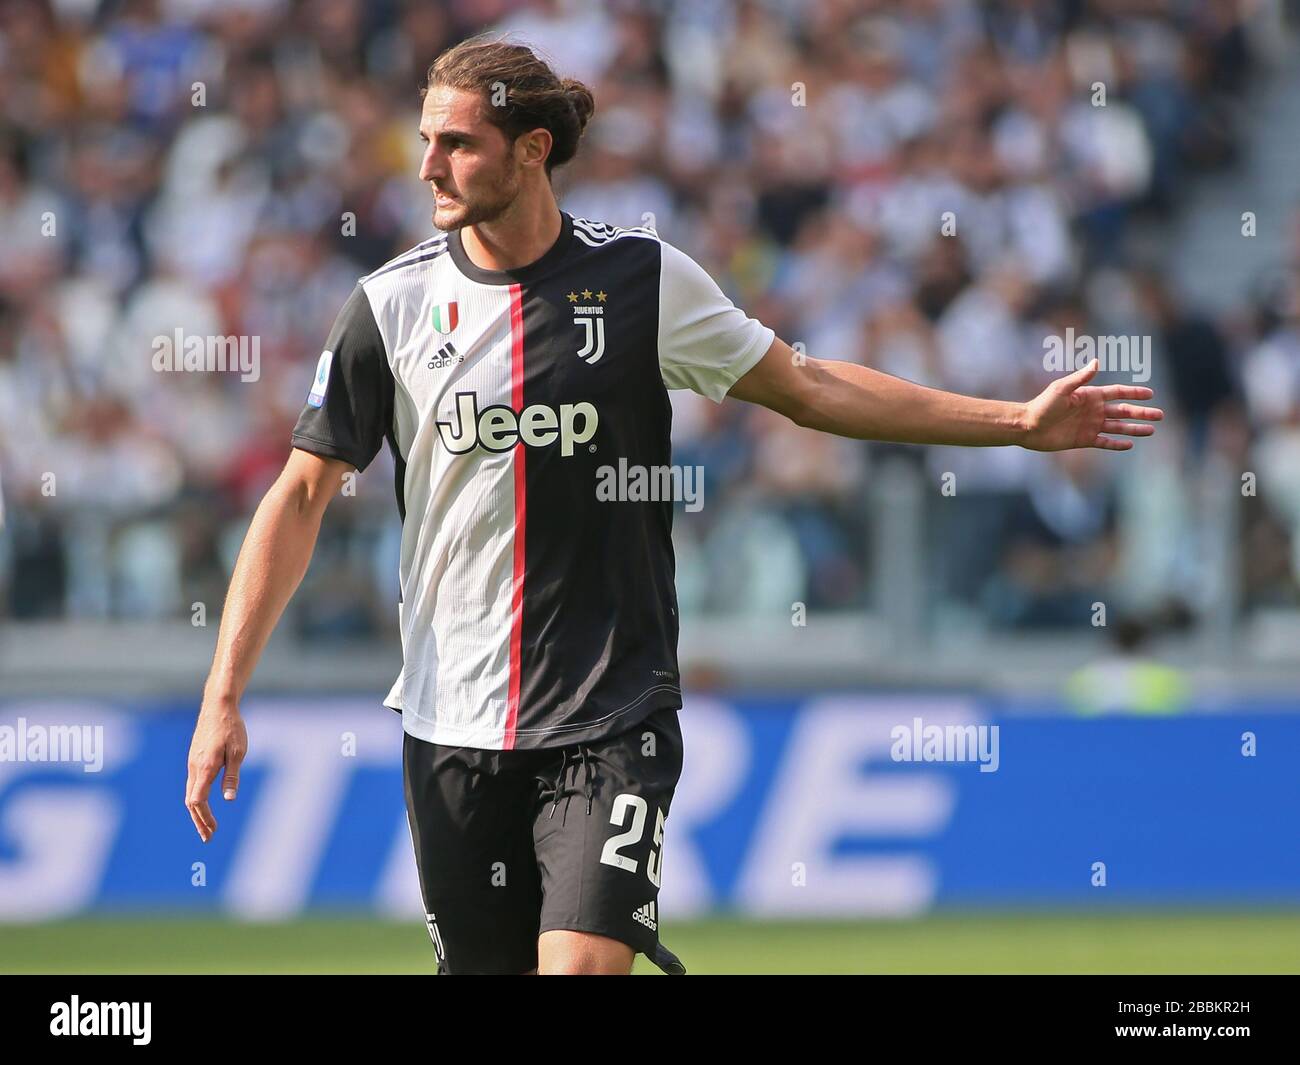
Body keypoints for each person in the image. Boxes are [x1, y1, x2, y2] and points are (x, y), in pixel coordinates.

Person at [184, 35, 1163, 975]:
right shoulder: (389, 307)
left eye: (456, 143)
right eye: (425, 141)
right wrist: (224, 692)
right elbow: (300, 494)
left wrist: (1013, 422)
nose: (427, 165)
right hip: (451, 717)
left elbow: (809, 387)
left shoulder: (641, 282)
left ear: (530, 153)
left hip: (612, 704)